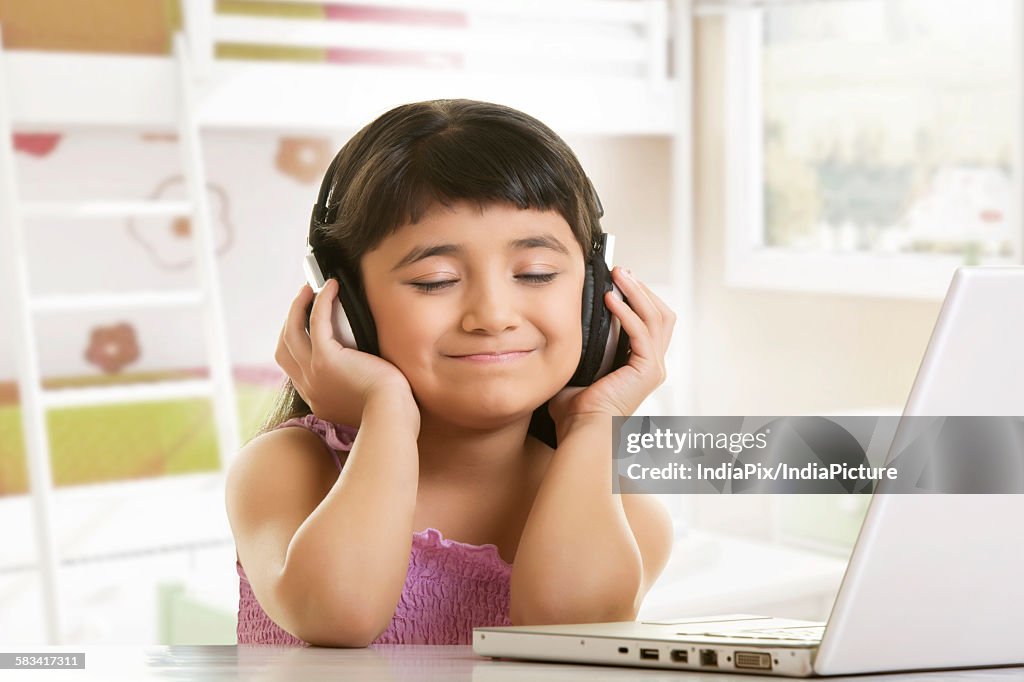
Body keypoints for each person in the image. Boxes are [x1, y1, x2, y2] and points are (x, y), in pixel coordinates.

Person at [226, 99, 676, 647]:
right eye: (435, 280)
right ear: (346, 313)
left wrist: (595, 420)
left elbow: (568, 641)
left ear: (595, 294)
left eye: (536, 273)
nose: (492, 316)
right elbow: (338, 615)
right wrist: (386, 410)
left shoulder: (624, 511)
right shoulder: (288, 467)